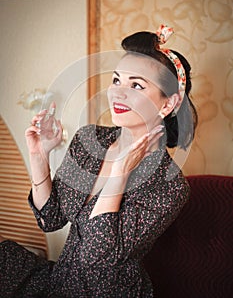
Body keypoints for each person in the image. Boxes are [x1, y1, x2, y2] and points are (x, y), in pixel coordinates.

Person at [0, 25, 198, 297]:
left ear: (167, 104)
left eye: (136, 85)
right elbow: (51, 219)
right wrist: (39, 155)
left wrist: (119, 176)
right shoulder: (89, 140)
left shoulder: (169, 186)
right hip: (60, 282)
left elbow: (97, 256)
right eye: (117, 80)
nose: (118, 92)